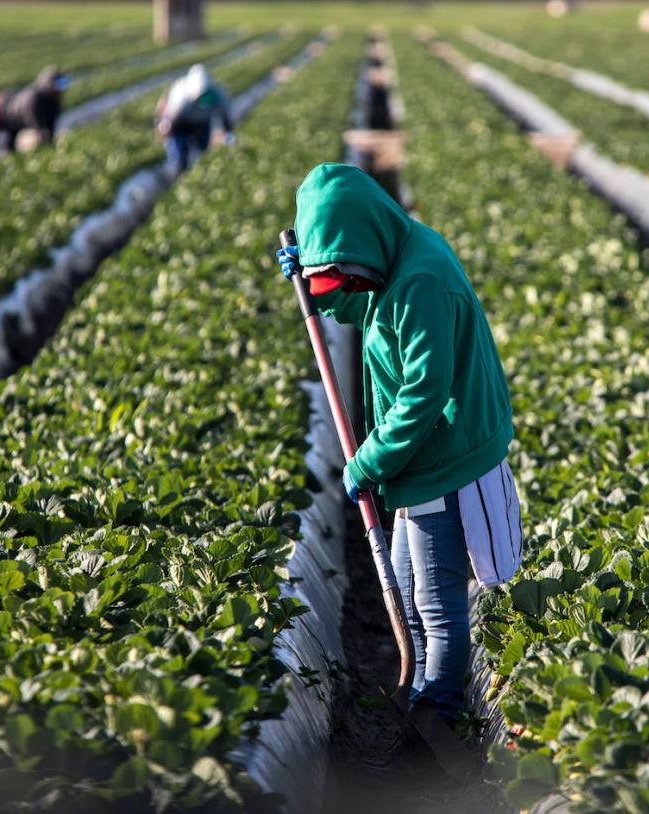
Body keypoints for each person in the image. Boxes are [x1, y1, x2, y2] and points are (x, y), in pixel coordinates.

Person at [276, 163, 523, 723]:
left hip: (444, 455)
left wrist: (368, 461)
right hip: (417, 457)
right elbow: (366, 302)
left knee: (437, 605)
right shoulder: (393, 257)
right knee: (410, 591)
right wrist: (312, 284)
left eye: (343, 276)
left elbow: (423, 394)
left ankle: (437, 713)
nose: (346, 289)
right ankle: (419, 692)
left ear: (366, 245)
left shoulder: (420, 281)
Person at [155, 64, 235, 173]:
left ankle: (198, 171)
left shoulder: (218, 94)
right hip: (180, 123)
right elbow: (170, 118)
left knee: (203, 149)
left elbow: (225, 115)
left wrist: (228, 132)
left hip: (202, 122)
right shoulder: (181, 94)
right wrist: (165, 130)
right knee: (179, 151)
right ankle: (178, 171)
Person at [0, 66, 69, 152]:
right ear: (49, 86)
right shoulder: (33, 100)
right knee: (5, 141)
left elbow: (50, 124)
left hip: (13, 117)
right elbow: (39, 126)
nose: (61, 91)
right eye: (58, 86)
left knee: (14, 142)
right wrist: (46, 137)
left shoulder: (53, 101)